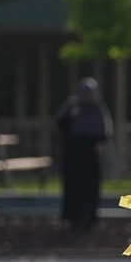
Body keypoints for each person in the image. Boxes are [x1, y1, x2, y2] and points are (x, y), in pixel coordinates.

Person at [55, 77, 112, 233]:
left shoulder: (97, 109)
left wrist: (101, 142)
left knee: (91, 186)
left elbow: (103, 131)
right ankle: (70, 218)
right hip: (73, 153)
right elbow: (61, 124)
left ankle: (90, 218)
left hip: (90, 155)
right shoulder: (73, 106)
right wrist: (71, 116)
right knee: (72, 187)